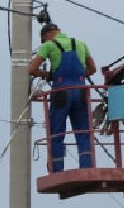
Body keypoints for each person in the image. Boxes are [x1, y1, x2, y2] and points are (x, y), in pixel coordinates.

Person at [28, 22, 98, 173]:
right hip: (80, 92)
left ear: (46, 36)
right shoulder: (80, 43)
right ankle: (87, 168)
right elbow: (92, 68)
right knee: (84, 132)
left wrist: (48, 75)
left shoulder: (49, 45)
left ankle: (56, 170)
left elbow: (32, 69)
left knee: (57, 132)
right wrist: (78, 77)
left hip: (61, 93)